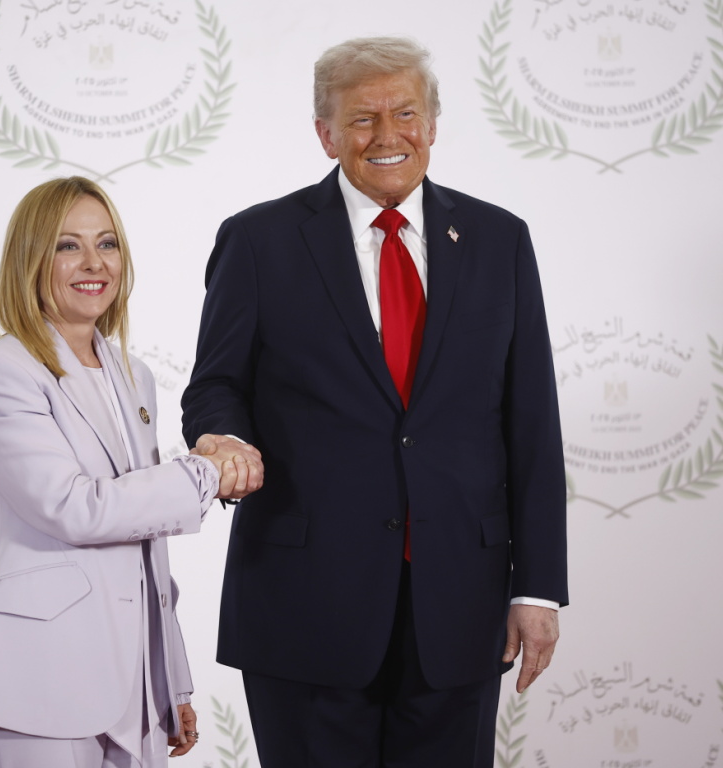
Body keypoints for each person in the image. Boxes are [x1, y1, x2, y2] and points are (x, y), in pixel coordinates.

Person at [181, 37, 568, 767]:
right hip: (305, 605)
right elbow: (215, 386)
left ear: (433, 124)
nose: (388, 135)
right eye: (362, 119)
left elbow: (532, 426)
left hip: (461, 605)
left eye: (406, 114)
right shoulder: (259, 241)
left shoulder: (500, 240)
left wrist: (539, 590)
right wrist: (223, 438)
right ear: (326, 134)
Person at [0, 176, 263, 768]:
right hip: (36, 685)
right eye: (68, 245)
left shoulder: (133, 375)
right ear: (30, 259)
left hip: (131, 692)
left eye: (108, 243)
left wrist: (171, 680)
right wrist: (203, 474)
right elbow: (76, 509)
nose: (94, 263)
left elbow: (145, 548)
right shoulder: (3, 372)